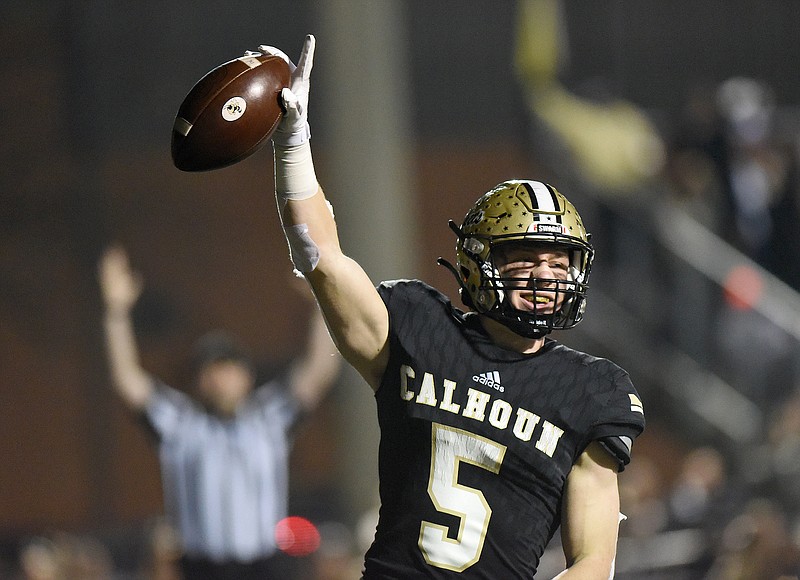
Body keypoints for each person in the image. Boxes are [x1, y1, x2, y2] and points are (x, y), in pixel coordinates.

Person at [262, 35, 645, 579]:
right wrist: (293, 143)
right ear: (478, 262)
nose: (544, 275)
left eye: (559, 262)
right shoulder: (421, 328)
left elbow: (593, 564)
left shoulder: (589, 391)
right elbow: (318, 255)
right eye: (524, 258)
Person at [97, 244, 340, 580]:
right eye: (212, 371)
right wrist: (115, 312)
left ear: (247, 376)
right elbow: (127, 380)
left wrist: (321, 301)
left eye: (229, 369)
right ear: (199, 381)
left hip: (263, 567)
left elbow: (318, 371)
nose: (221, 380)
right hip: (202, 568)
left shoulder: (268, 418)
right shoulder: (181, 425)